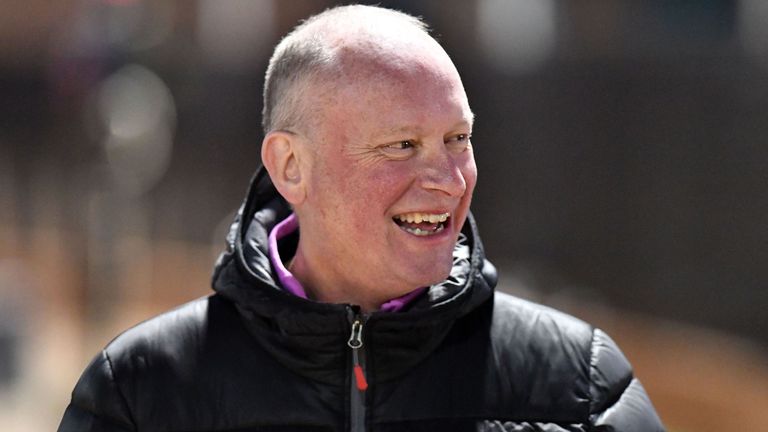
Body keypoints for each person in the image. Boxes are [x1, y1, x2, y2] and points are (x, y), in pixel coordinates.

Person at [59, 5, 664, 432]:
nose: (449, 181)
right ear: (290, 166)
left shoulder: (582, 387)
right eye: (401, 146)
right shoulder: (137, 392)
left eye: (458, 139)